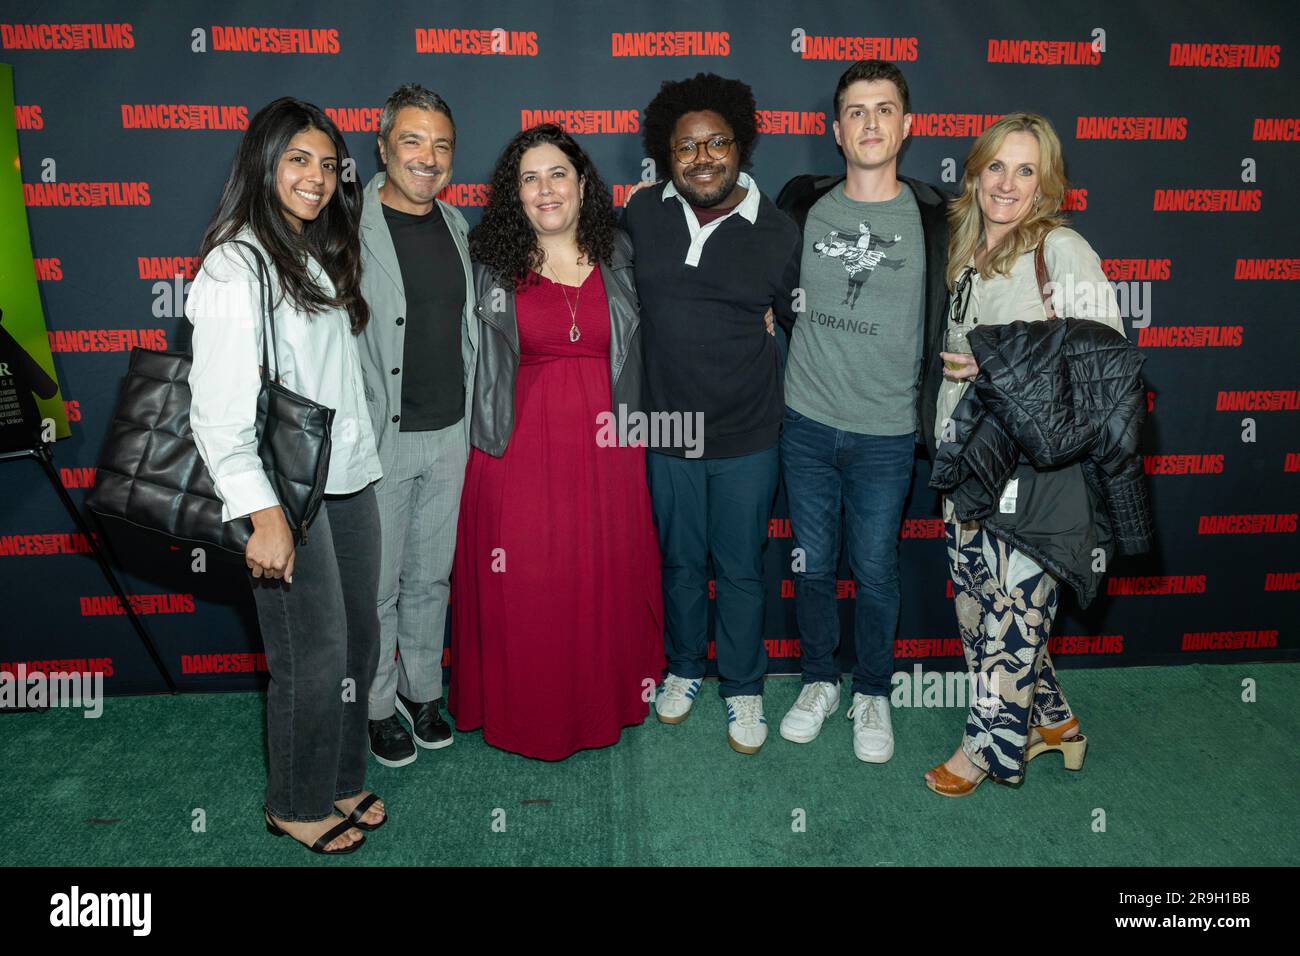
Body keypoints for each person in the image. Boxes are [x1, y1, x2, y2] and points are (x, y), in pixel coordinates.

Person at [923, 112, 1143, 796]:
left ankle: (983, 750)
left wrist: (993, 365)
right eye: (996, 166)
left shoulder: (1062, 249)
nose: (1007, 183)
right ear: (975, 172)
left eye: (1026, 170)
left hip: (1037, 474)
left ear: (1046, 183)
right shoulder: (966, 248)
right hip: (966, 461)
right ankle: (1055, 726)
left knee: (1012, 617)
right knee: (974, 609)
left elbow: (1107, 360)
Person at [186, 98, 386, 852]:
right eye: (299, 160)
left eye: (329, 165)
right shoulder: (235, 264)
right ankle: (295, 800)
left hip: (345, 478)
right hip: (282, 492)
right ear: (263, 164)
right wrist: (263, 514)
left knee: (357, 639)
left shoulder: (311, 252)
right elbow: (216, 415)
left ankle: (338, 773)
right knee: (314, 648)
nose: (317, 177)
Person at [449, 124, 664, 760]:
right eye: (530, 178)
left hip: (608, 443)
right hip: (518, 446)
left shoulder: (622, 252)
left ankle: (602, 701)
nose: (546, 189)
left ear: (582, 183)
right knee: (530, 582)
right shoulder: (487, 261)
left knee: (600, 574)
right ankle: (529, 712)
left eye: (558, 174)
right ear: (514, 194)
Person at [774, 60, 950, 762]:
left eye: (884, 109)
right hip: (807, 422)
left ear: (907, 126)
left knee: (875, 569)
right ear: (836, 128)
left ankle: (873, 691)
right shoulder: (801, 204)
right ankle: (821, 682)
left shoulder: (939, 216)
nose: (869, 122)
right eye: (855, 110)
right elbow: (762, 277)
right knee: (814, 566)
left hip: (888, 433)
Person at [623, 73, 801, 755]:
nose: (702, 158)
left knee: (741, 567)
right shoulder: (642, 212)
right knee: (678, 563)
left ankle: (744, 687)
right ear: (667, 155)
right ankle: (683, 668)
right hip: (664, 428)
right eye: (685, 148)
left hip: (746, 433)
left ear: (741, 144)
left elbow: (802, 325)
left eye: (716, 143)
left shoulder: (779, 231)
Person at [357, 84, 476, 767]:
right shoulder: (346, 227)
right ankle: (375, 705)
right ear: (382, 146)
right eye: (412, 141)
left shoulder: (457, 226)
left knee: (432, 578)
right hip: (382, 439)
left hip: (449, 434)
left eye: (441, 146)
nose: (427, 158)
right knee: (376, 588)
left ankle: (421, 689)